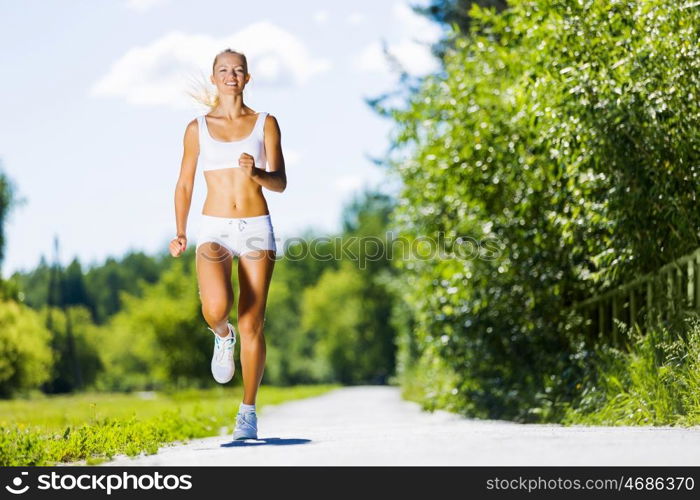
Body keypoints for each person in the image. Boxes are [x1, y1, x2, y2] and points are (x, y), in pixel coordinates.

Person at [169, 48, 287, 441]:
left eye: (238, 70)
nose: (231, 75)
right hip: (214, 227)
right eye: (223, 70)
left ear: (247, 78)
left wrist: (257, 173)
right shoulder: (196, 128)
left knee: (253, 321)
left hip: (255, 226)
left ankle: (247, 414)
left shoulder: (265, 123)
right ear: (214, 78)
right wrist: (181, 230)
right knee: (216, 308)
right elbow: (185, 183)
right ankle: (222, 335)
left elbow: (281, 183)